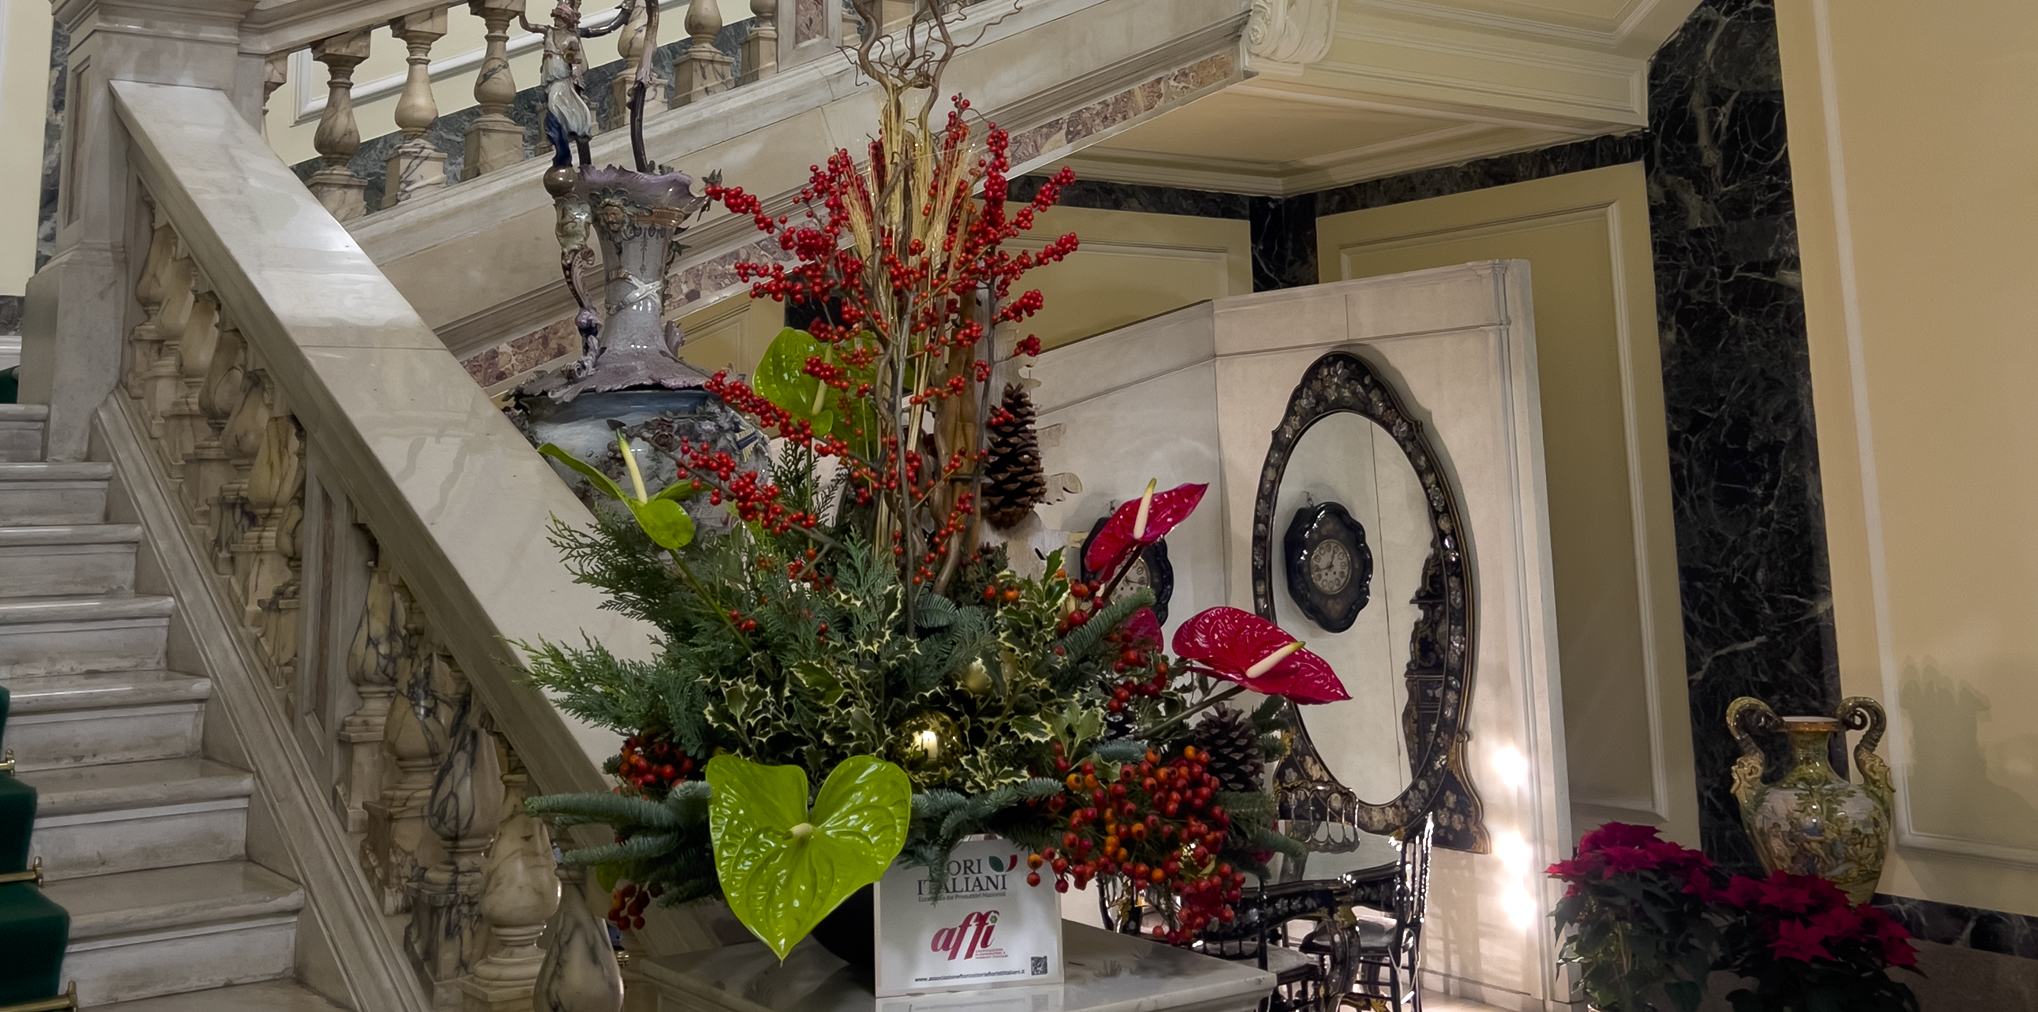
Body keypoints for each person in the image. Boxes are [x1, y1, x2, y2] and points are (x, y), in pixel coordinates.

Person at [522, 0, 634, 167]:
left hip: (564, 81)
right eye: (556, 17)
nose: (557, 21)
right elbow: (527, 26)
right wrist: (520, 12)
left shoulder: (573, 36)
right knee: (559, 113)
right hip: (551, 82)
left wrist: (621, 18)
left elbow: (601, 32)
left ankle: (574, 144)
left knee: (556, 105)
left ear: (567, 20)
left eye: (560, 18)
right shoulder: (548, 31)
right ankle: (564, 152)